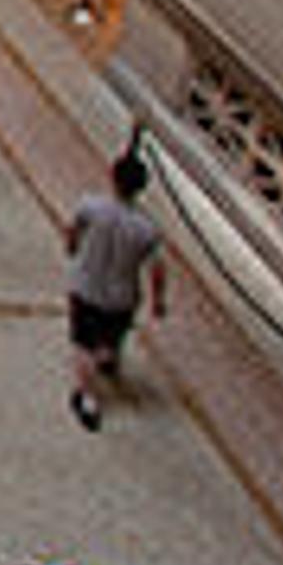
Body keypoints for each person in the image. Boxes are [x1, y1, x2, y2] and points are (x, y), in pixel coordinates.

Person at [64, 154, 169, 431]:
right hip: (122, 296)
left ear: (112, 177)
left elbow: (73, 231)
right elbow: (157, 268)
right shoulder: (147, 228)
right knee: (111, 337)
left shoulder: (91, 206)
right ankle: (107, 358)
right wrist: (158, 300)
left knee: (82, 345)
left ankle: (88, 398)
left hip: (87, 286)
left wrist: (73, 246)